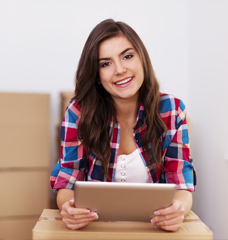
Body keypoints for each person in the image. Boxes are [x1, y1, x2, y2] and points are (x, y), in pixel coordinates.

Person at [50, 19, 196, 232]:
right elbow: (67, 180)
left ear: (142, 59)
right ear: (97, 75)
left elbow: (182, 182)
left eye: (127, 56)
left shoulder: (171, 110)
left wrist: (178, 209)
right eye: (105, 63)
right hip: (97, 230)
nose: (120, 69)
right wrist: (68, 208)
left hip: (152, 230)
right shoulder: (79, 112)